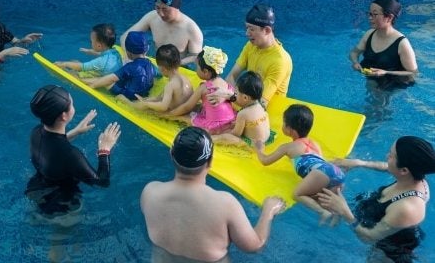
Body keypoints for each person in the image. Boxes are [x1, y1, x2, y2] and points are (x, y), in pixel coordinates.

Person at [141, 126, 285, 262]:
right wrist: (269, 211)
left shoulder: (150, 192)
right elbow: (254, 246)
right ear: (210, 162)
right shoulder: (225, 204)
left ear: (171, 155)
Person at [317, 136, 435, 262]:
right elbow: (387, 167)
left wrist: (344, 211)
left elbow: (369, 238)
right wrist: (360, 163)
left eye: (391, 155)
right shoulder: (413, 175)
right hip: (387, 220)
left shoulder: (407, 208)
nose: (386, 156)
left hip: (389, 250)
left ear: (404, 170)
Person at [25, 85, 121, 217]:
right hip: (61, 204)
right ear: (64, 116)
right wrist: (105, 148)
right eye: (72, 104)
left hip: (35, 188)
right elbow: (102, 182)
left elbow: (52, 146)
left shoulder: (35, 132)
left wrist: (75, 132)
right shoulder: (71, 155)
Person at [255, 104, 345, 225]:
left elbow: (265, 161)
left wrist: (259, 149)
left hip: (321, 173)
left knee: (296, 194)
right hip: (336, 172)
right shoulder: (315, 143)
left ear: (290, 130)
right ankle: (336, 214)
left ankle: (323, 212)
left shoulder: (287, 147)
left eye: (283, 123)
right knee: (322, 197)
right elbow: (318, 164)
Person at [218, 4, 292, 108]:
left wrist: (230, 96)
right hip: (245, 101)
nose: (247, 33)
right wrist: (230, 96)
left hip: (267, 112)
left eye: (251, 29)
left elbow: (261, 103)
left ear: (267, 30)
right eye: (247, 28)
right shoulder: (251, 45)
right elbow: (231, 76)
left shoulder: (280, 61)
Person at [120, 0, 203, 66]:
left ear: (176, 7)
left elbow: (196, 57)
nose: (161, 14)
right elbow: (125, 37)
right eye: (157, 8)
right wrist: (129, 58)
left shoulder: (191, 29)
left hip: (178, 68)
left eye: (165, 9)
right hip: (156, 65)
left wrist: (174, 65)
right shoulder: (152, 17)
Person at [349, 0, 418, 89]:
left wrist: (386, 72)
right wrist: (355, 62)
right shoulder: (369, 34)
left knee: (377, 99)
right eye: (369, 14)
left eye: (375, 14)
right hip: (371, 78)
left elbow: (413, 72)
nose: (370, 18)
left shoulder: (402, 43)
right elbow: (354, 52)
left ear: (389, 17)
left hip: (390, 81)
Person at [167, 46, 236, 134]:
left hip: (213, 128)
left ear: (206, 72)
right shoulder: (225, 83)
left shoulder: (204, 87)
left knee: (184, 117)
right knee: (201, 107)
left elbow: (187, 107)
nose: (196, 69)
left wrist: (171, 114)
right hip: (229, 122)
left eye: (197, 67)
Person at [83, 31, 155, 101]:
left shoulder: (130, 67)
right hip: (144, 94)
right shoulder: (151, 66)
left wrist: (93, 86)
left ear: (128, 52)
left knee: (107, 80)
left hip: (129, 96)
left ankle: (82, 80)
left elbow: (111, 78)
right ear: (147, 49)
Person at [213, 71, 270, 147]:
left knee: (225, 137)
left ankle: (210, 138)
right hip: (265, 138)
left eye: (236, 93)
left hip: (253, 144)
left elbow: (236, 134)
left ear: (245, 98)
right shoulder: (261, 105)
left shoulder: (243, 113)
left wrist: (223, 132)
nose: (235, 95)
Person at [133, 44, 193, 112]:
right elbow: (160, 97)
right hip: (184, 110)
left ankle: (125, 101)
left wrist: (146, 104)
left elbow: (163, 107)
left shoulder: (170, 85)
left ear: (163, 69)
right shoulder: (186, 79)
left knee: (140, 108)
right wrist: (147, 99)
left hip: (172, 113)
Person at [55, 23, 122, 77]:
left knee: (70, 73)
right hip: (106, 73)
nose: (90, 43)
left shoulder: (100, 61)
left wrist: (64, 64)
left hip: (99, 78)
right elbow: (101, 54)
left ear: (99, 45)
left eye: (91, 41)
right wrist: (89, 51)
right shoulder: (115, 52)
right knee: (74, 61)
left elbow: (82, 67)